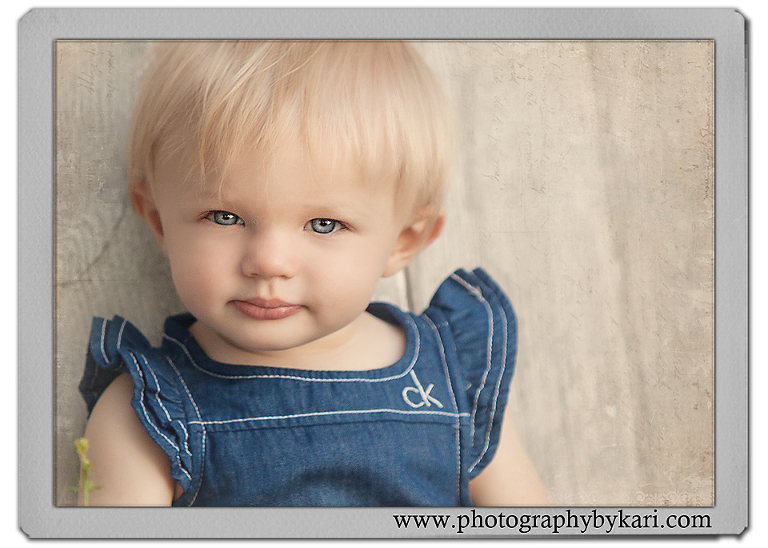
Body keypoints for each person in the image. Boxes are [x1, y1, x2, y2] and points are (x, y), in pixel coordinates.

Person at [79, 40, 548, 507]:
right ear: (160, 221)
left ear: (403, 242)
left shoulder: (453, 382)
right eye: (224, 217)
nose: (269, 262)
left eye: (324, 224)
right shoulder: (149, 413)